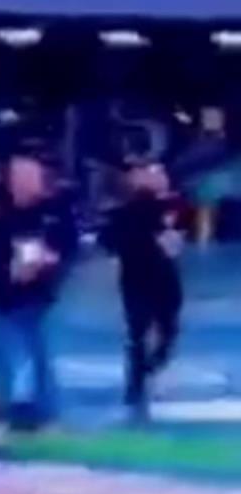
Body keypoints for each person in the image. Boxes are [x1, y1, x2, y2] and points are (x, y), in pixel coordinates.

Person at [0, 151, 77, 436]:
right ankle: (3, 417)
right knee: (4, 360)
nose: (28, 182)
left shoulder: (53, 209)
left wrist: (52, 259)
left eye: (32, 176)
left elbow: (69, 244)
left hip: (39, 296)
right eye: (21, 177)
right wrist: (7, 269)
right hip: (4, 296)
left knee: (40, 356)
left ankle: (48, 416)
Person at [101, 159, 185, 422]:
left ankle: (152, 363)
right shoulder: (123, 211)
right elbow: (108, 240)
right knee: (137, 332)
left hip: (165, 279)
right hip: (136, 280)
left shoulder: (171, 205)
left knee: (169, 328)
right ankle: (134, 385)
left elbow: (179, 233)